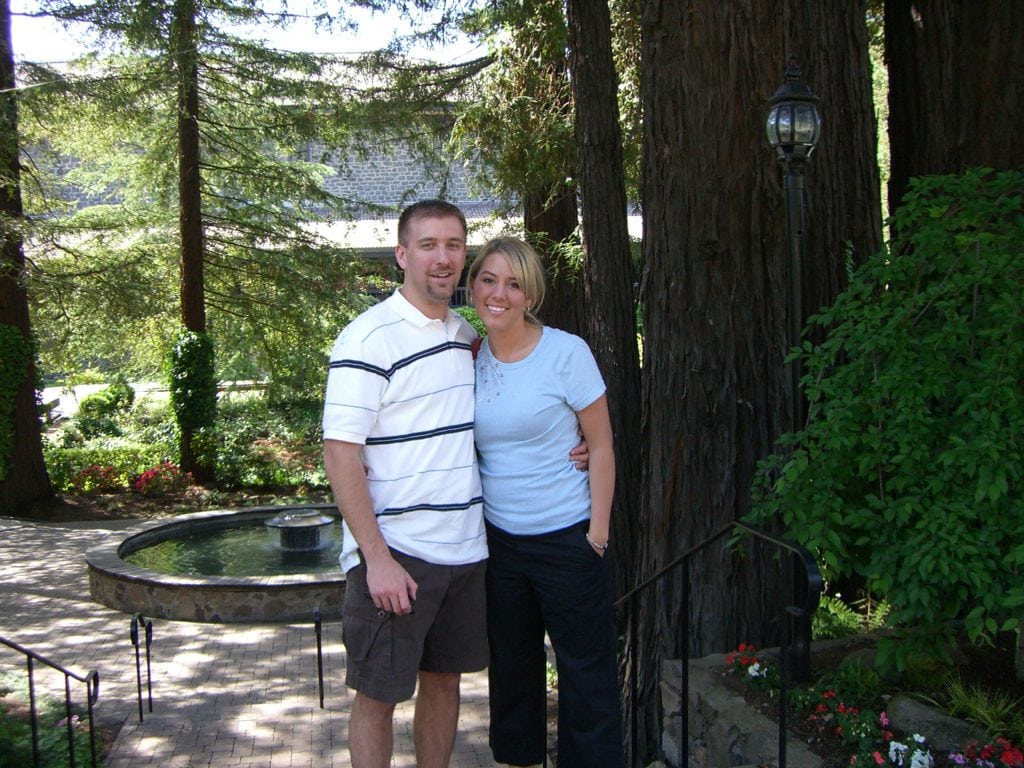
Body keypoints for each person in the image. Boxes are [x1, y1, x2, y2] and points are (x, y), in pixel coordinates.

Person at [322, 202, 587, 768]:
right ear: (402, 255)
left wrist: (576, 441)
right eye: (428, 245)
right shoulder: (367, 338)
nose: (442, 258)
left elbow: (511, 408)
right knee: (378, 697)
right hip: (397, 556)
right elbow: (340, 453)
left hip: (466, 553)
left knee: (444, 686)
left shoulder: (468, 337)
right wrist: (376, 558)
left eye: (453, 245)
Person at [468, 236, 624, 768]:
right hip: (501, 546)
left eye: (514, 284)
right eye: (488, 279)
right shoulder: (467, 351)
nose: (499, 293)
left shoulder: (566, 352)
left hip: (567, 540)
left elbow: (601, 446)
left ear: (530, 296)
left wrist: (596, 536)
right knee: (512, 674)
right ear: (473, 286)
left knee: (587, 678)